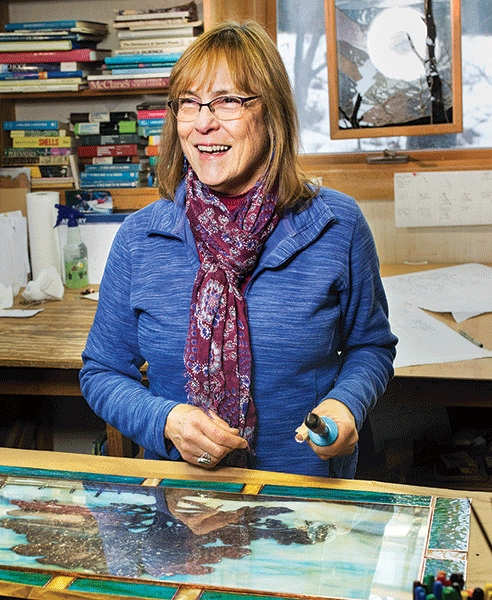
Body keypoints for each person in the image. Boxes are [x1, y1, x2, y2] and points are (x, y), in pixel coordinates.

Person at [79, 20, 397, 479]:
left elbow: (371, 347)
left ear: (272, 113)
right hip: (181, 503)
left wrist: (346, 406)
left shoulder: (338, 225)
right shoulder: (139, 238)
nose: (204, 122)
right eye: (188, 103)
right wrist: (166, 422)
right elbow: (101, 372)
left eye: (228, 100)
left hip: (305, 502)